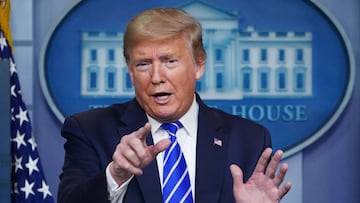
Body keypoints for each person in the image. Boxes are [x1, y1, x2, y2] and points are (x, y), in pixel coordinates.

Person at [58, 7, 291, 203]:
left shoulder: (249, 138)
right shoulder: (90, 130)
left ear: (199, 65)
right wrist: (116, 175)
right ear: (130, 71)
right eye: (143, 64)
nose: (156, 76)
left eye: (169, 61)